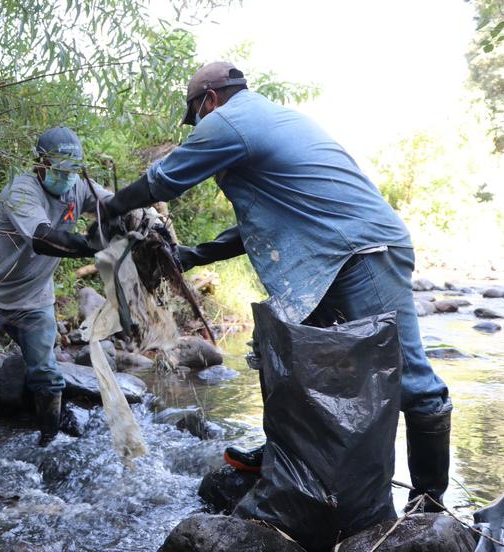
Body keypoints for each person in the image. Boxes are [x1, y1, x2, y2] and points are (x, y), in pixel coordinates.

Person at [101, 61, 452, 511]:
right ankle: (286, 458)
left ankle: (429, 504)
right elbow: (259, 226)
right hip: (329, 258)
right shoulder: (268, 122)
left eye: (197, 117)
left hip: (361, 253)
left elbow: (164, 179)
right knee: (290, 360)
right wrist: (195, 254)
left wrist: (109, 209)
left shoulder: (231, 119)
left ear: (209, 101)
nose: (198, 128)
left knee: (411, 379)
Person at [0, 127, 111, 446]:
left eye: (74, 169)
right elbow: (43, 238)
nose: (68, 176)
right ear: (41, 165)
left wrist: (136, 217)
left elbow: (113, 204)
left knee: (46, 371)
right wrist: (89, 245)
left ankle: (50, 433)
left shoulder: (80, 188)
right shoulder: (22, 192)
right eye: (60, 170)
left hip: (34, 301)